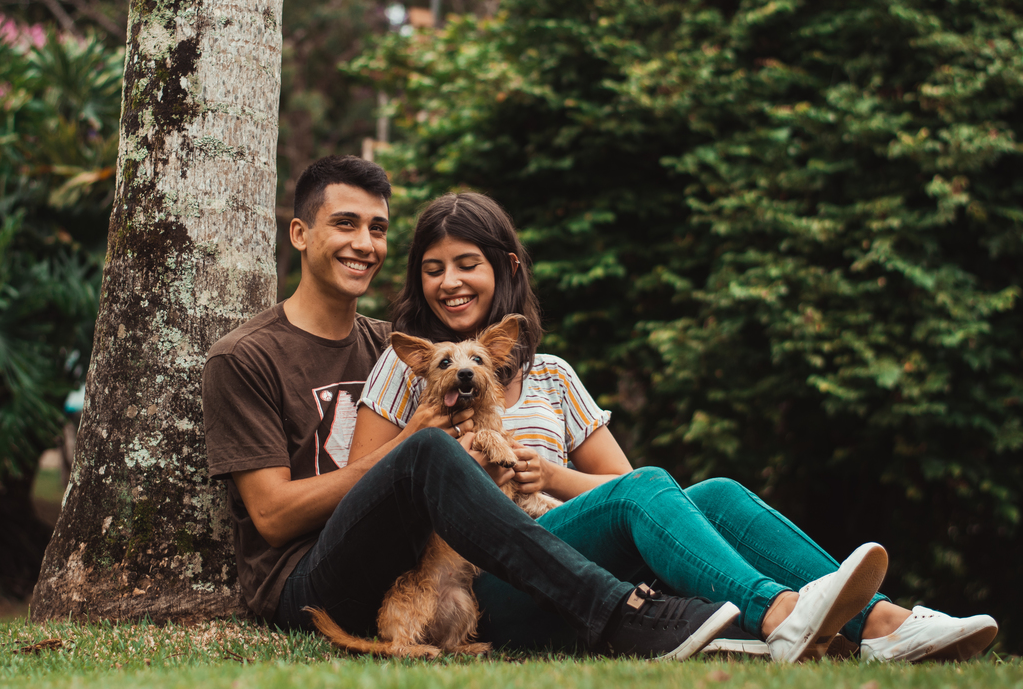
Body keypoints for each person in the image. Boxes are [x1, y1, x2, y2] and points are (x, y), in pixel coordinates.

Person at [350, 191, 1000, 663]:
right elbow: (368, 498)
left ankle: (882, 622)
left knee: (711, 492)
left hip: (573, 554)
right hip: (480, 586)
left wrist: (550, 474)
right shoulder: (402, 368)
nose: (449, 282)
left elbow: (631, 497)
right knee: (658, 488)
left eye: (466, 263)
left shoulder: (551, 375)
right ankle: (778, 612)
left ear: (506, 271)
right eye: (432, 269)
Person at [203, 155, 747, 661]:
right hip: (308, 579)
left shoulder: (395, 344)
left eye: (378, 229)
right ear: (299, 232)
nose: (365, 243)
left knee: (713, 495)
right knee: (429, 450)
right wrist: (411, 443)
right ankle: (621, 612)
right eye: (345, 224)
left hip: (416, 569)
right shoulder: (245, 356)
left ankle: (800, 610)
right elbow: (271, 518)